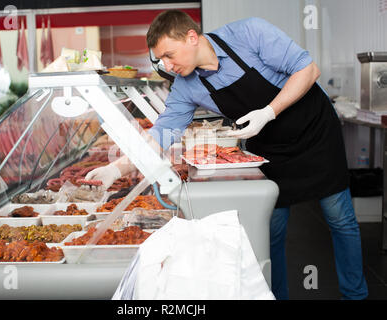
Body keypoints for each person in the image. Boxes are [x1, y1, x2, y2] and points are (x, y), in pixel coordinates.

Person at [86, 10, 368, 300]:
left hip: (315, 132)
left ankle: (355, 295)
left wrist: (268, 112)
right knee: (271, 229)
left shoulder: (250, 33)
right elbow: (162, 133)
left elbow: (308, 70)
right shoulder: (186, 86)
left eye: (169, 55)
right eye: (161, 60)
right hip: (269, 149)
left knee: (340, 219)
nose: (166, 65)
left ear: (192, 37)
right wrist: (116, 169)